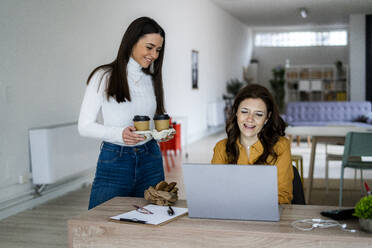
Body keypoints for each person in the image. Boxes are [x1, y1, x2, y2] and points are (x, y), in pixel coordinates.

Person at [78, 17, 169, 209]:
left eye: (158, 50)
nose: (154, 55)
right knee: (101, 222)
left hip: (150, 158)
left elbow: (150, 123)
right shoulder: (104, 76)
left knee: (152, 223)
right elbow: (84, 126)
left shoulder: (152, 80)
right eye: (149, 47)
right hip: (115, 160)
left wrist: (160, 133)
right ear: (132, 41)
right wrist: (119, 134)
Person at [211, 84, 293, 204]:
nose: (250, 119)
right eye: (244, 112)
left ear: (267, 118)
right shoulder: (221, 147)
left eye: (258, 114)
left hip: (266, 218)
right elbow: (214, 192)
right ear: (236, 113)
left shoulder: (281, 146)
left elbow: (283, 197)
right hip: (229, 218)